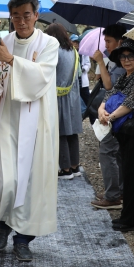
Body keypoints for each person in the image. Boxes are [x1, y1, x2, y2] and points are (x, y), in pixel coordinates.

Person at [0, 0, 60, 262]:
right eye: (15, 16)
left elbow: (41, 78)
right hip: (8, 119)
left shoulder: (48, 43)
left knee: (33, 182)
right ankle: (4, 223)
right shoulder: (2, 43)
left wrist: (12, 60)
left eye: (26, 15)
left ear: (36, 15)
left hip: (38, 121)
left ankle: (23, 239)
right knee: (7, 181)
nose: (21, 21)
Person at [100, 39, 134, 232]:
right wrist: (101, 110)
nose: (126, 60)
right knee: (130, 175)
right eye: (123, 57)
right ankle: (128, 216)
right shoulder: (125, 76)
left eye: (130, 56)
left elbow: (132, 102)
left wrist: (110, 117)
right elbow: (110, 95)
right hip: (127, 132)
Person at [89, 24, 126, 211]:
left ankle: (113, 196)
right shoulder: (119, 60)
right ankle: (117, 191)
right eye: (105, 41)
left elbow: (109, 86)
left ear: (120, 42)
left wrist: (101, 63)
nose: (106, 45)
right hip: (113, 112)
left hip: (117, 115)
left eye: (109, 41)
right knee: (115, 153)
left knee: (107, 151)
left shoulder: (121, 62)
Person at [45, 24, 82, 179]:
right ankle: (75, 166)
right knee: (72, 132)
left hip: (59, 97)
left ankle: (65, 169)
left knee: (61, 132)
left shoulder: (56, 52)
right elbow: (78, 73)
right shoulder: (73, 51)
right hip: (73, 96)